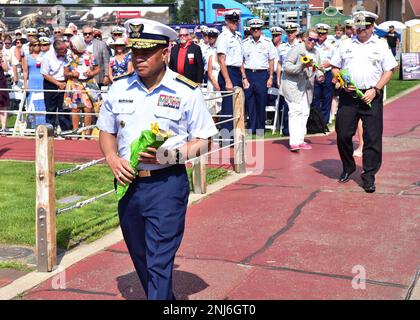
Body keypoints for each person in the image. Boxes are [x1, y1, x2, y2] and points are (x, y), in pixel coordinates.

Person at [97, 18, 217, 300]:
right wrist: (112, 157)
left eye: (146, 52)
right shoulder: (119, 89)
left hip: (166, 185)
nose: (138, 58)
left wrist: (173, 155)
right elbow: (105, 131)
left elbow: (204, 139)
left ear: (165, 53)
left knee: (159, 261)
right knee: (141, 257)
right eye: (134, 51)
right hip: (128, 186)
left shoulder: (186, 92)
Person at [331, 11, 397, 193]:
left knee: (372, 138)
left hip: (371, 97)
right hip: (349, 96)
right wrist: (342, 82)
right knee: (343, 133)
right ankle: (348, 166)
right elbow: (335, 68)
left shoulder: (381, 45)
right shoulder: (345, 44)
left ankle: (369, 176)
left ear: (371, 27)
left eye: (364, 28)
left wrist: (375, 90)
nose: (359, 31)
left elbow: (389, 70)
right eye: (357, 27)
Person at [281, 29, 324, 151]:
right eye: (311, 39)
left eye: (316, 40)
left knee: (305, 112)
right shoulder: (297, 49)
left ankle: (300, 140)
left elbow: (318, 68)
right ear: (304, 38)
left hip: (307, 86)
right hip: (292, 86)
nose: (313, 42)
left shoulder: (316, 52)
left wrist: (320, 75)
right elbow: (287, 66)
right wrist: (301, 66)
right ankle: (293, 142)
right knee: (295, 112)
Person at [242, 18, 276, 134]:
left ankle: (261, 128)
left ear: (261, 29)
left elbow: (271, 60)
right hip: (248, 74)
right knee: (249, 102)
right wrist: (244, 77)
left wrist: (271, 77)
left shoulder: (267, 42)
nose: (255, 30)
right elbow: (241, 61)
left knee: (261, 102)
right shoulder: (245, 43)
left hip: (262, 75)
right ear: (250, 30)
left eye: (258, 29)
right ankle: (252, 127)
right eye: (253, 29)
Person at [63, 35, 100, 136]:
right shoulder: (68, 56)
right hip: (74, 84)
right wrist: (72, 74)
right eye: (71, 45)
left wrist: (91, 73)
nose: (71, 47)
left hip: (88, 83)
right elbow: (65, 73)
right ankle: (76, 132)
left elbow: (97, 69)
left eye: (72, 45)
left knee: (88, 108)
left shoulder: (90, 55)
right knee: (75, 108)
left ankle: (87, 133)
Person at [216, 9, 243, 136]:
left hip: (237, 72)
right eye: (232, 21)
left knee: (238, 106)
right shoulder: (223, 37)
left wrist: (244, 77)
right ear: (226, 21)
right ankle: (226, 137)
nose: (235, 23)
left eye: (236, 21)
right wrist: (227, 80)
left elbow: (240, 59)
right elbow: (222, 61)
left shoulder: (237, 36)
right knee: (228, 107)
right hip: (228, 72)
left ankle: (235, 135)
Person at [40, 39, 72, 131]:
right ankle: (50, 131)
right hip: (51, 83)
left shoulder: (68, 54)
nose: (66, 51)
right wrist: (58, 84)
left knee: (65, 108)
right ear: (57, 50)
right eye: (64, 50)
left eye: (66, 49)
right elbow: (44, 74)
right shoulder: (47, 56)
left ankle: (67, 131)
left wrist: (65, 83)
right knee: (50, 109)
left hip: (65, 82)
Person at [277, 22, 300, 136]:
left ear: (296, 32)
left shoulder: (301, 46)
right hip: (285, 78)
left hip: (298, 80)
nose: (290, 34)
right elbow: (279, 64)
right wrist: (278, 79)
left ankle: (298, 130)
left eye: (292, 32)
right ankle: (287, 129)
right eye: (288, 32)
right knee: (287, 105)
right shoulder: (282, 47)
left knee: (298, 106)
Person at [312, 23, 335, 125]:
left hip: (328, 72)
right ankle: (316, 121)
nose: (321, 35)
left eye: (323, 33)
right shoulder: (312, 44)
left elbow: (337, 61)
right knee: (315, 97)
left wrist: (329, 64)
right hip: (314, 73)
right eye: (319, 33)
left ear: (327, 34)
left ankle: (324, 121)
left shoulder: (331, 45)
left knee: (327, 98)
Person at [22, 39, 46, 128]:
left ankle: (42, 125)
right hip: (32, 81)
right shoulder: (27, 57)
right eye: (35, 45)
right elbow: (25, 71)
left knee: (42, 103)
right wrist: (25, 84)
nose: (37, 46)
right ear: (31, 46)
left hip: (42, 81)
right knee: (31, 103)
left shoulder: (44, 56)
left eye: (39, 45)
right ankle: (32, 125)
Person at [206, 28, 222, 115]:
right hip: (212, 80)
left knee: (221, 104)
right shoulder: (210, 53)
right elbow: (209, 71)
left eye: (214, 37)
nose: (212, 38)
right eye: (210, 36)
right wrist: (215, 83)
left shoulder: (220, 52)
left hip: (221, 79)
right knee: (212, 105)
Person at [0, 48, 9, 134]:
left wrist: (2, 60)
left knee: (3, 105)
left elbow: (6, 69)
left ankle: (3, 127)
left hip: (1, 82)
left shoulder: (2, 57)